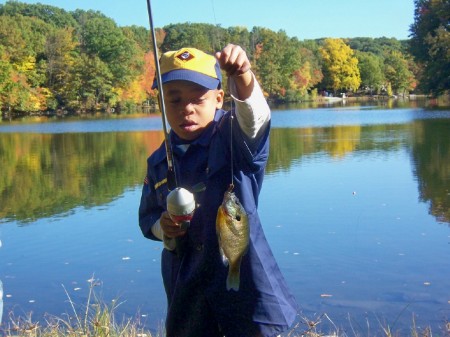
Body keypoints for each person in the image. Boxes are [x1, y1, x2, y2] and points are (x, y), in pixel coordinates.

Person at [139, 44, 298, 337]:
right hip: (188, 293)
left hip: (248, 289)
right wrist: (164, 229)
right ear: (161, 104)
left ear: (219, 98)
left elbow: (257, 120)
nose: (186, 108)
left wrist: (244, 76)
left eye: (198, 98)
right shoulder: (159, 161)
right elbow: (147, 219)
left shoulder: (234, 134)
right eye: (173, 99)